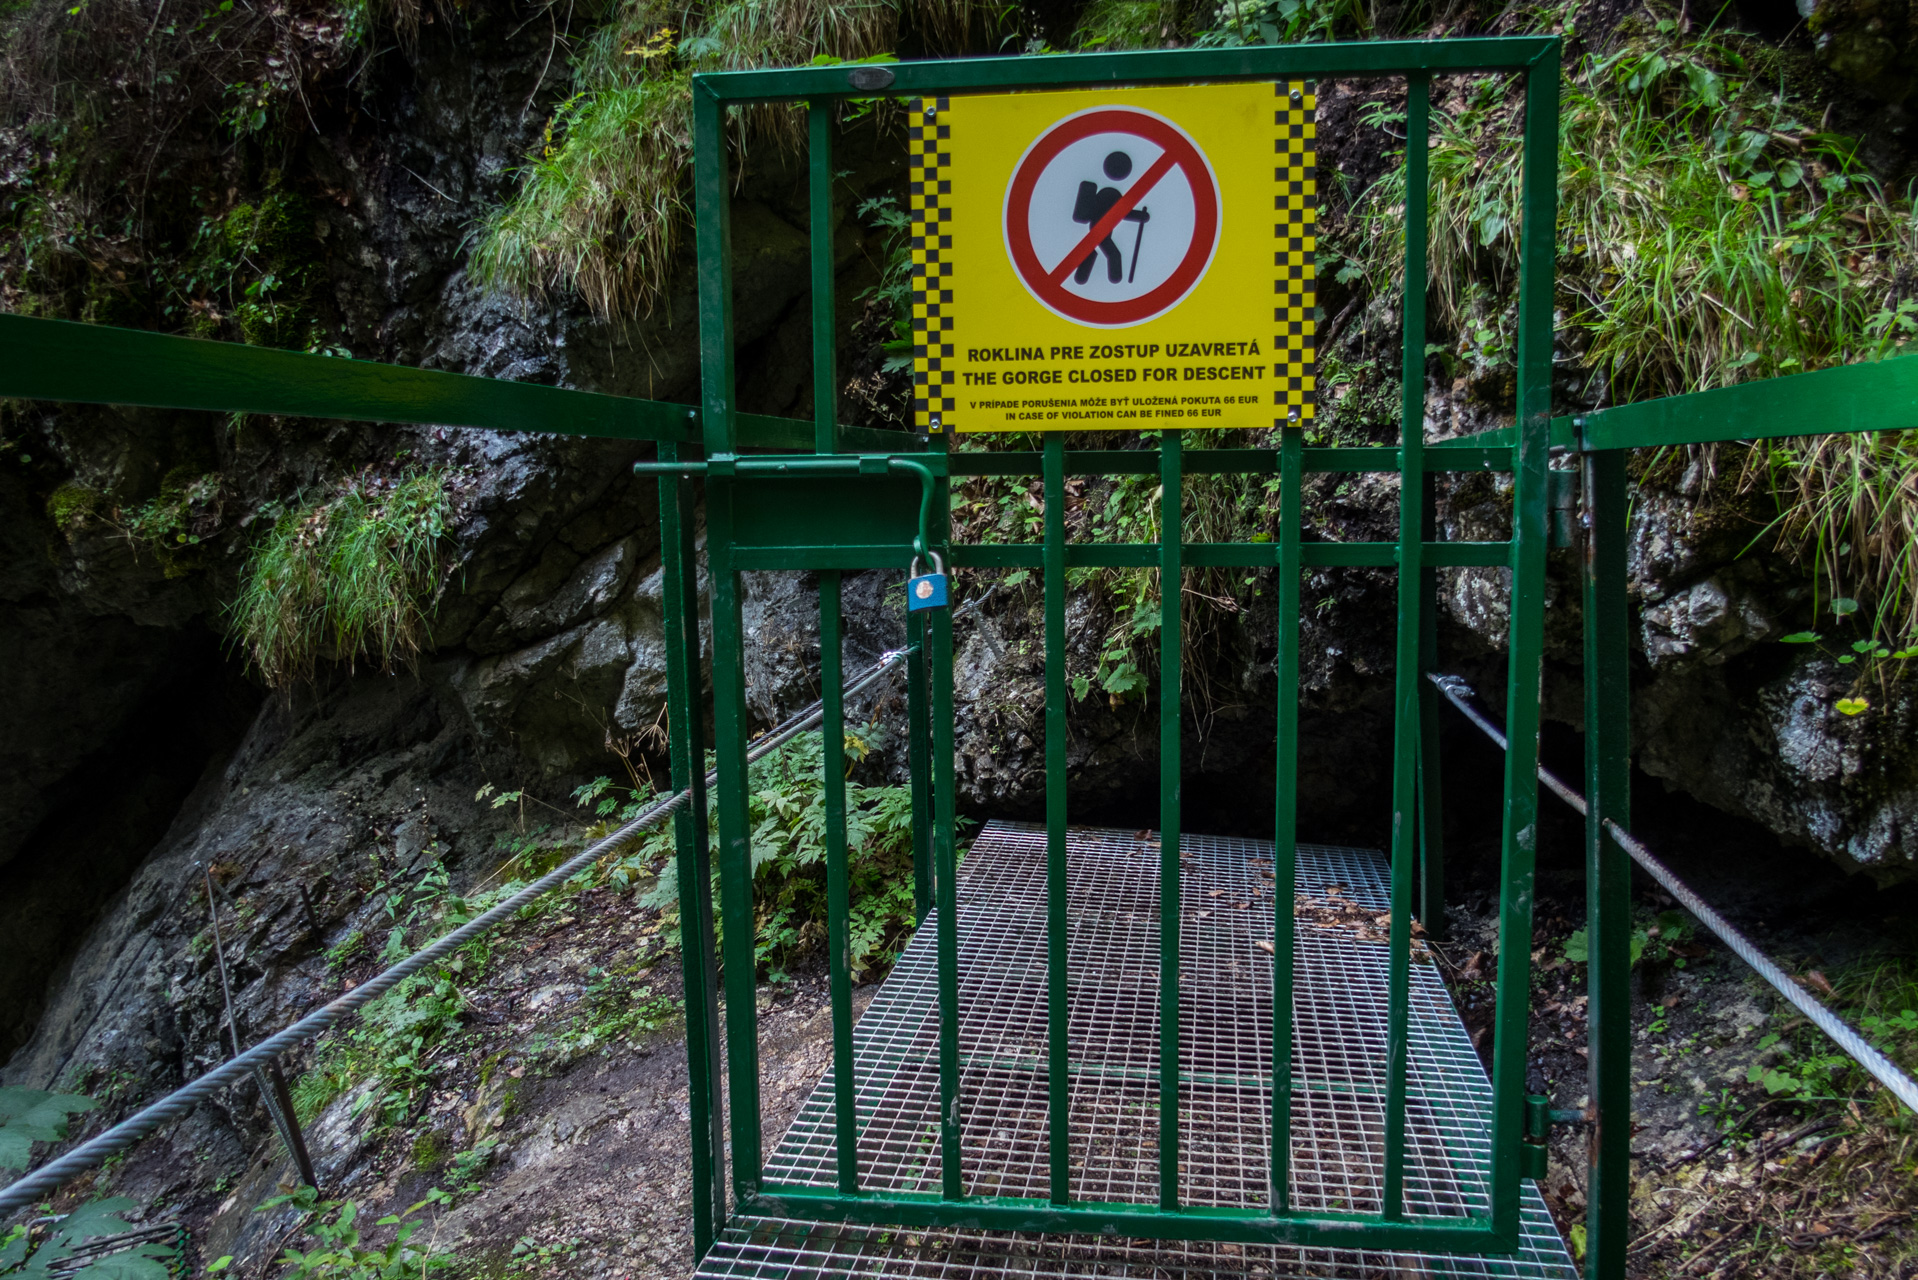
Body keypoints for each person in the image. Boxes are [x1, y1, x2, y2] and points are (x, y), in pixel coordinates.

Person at [1071, 150, 1150, 285]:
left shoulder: (1108, 198)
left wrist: (1141, 216)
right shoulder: (1109, 198)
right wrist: (1141, 216)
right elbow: (1125, 213)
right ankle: (1110, 278)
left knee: (1100, 252)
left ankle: (1083, 278)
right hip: (1100, 228)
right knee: (1112, 254)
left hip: (1101, 229)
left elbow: (1123, 213)